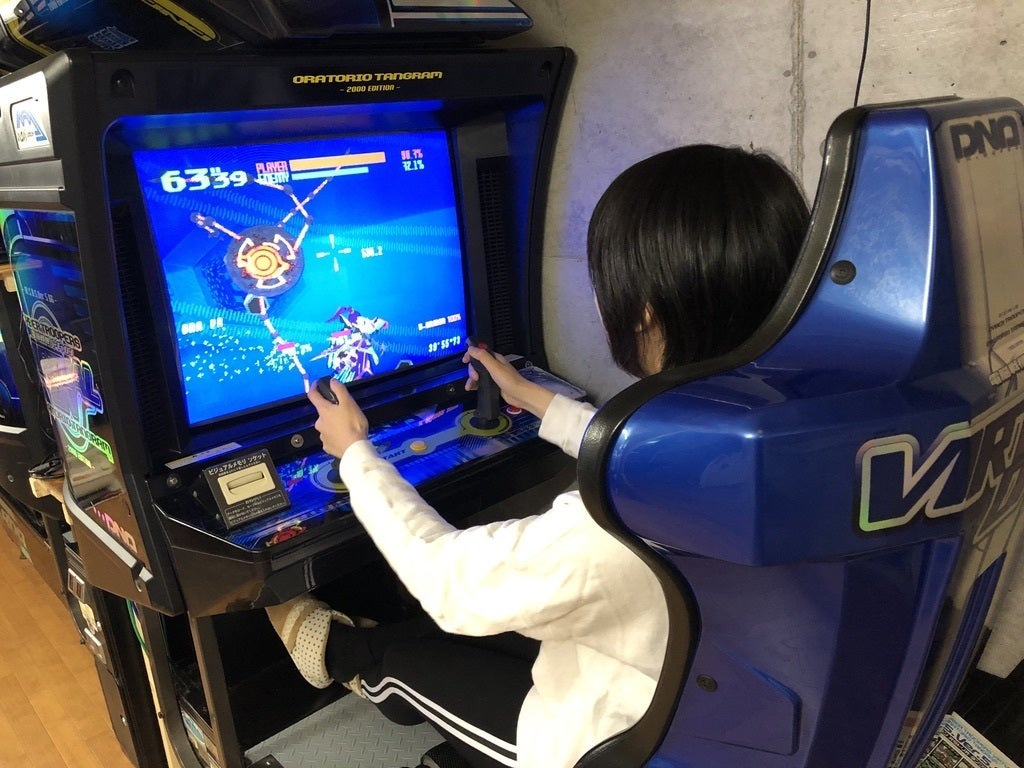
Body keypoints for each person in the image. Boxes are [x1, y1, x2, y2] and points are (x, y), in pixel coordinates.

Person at [266, 144, 810, 768]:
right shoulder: (786, 426)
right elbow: (651, 451)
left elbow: (449, 583)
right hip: (697, 677)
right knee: (464, 625)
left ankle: (340, 658)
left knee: (409, 658)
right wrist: (541, 403)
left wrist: (356, 454)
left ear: (645, 313)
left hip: (608, 742)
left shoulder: (627, 518)